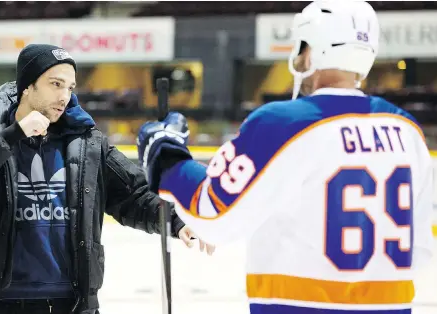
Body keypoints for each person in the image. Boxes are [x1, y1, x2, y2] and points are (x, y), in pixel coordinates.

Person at [137, 2, 434, 313]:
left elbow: (214, 213)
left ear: (312, 49)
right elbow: (422, 250)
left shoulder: (283, 123)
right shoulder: (406, 128)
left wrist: (167, 160)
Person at [0, 44, 214, 314]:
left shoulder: (87, 141)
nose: (64, 96)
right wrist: (12, 135)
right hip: (7, 302)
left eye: (70, 87)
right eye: (55, 84)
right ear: (27, 86)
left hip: (77, 303)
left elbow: (134, 195)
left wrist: (177, 220)